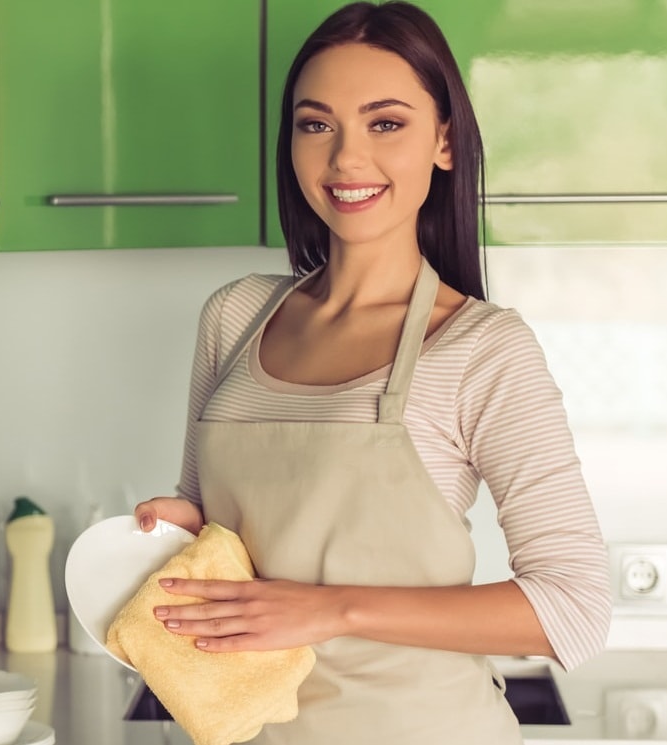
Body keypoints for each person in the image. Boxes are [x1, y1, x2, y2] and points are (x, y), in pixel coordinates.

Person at [132, 2, 612, 743]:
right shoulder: (233, 317)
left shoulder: (480, 348)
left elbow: (571, 607)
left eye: (384, 123)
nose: (345, 159)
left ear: (444, 140)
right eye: (315, 123)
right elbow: (219, 530)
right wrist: (179, 533)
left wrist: (333, 606)